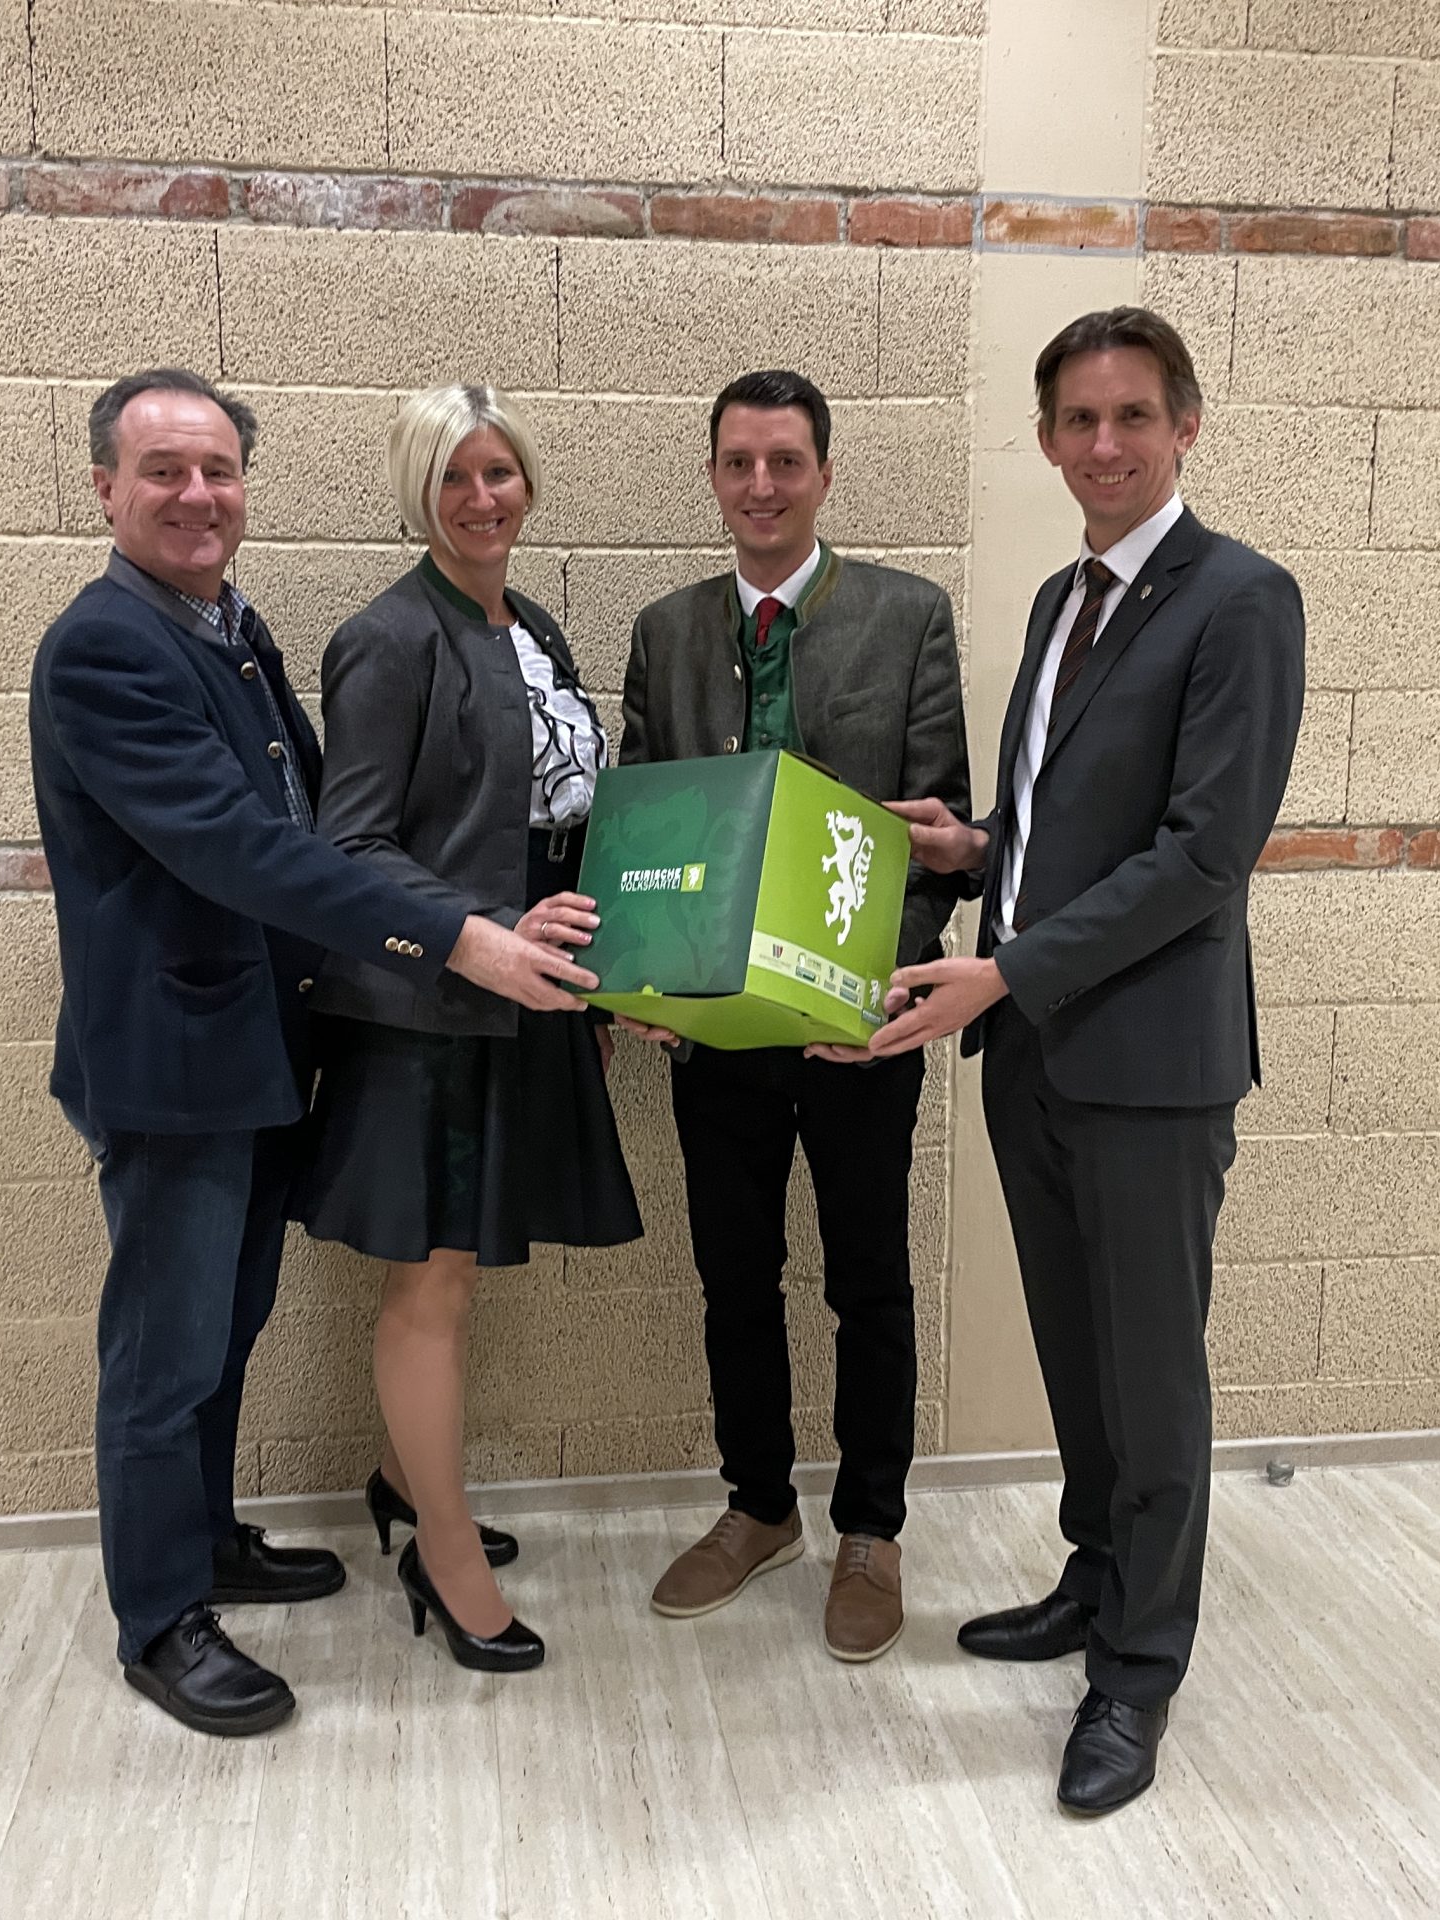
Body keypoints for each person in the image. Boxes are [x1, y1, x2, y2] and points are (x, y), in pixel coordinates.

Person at [30, 368, 594, 1738]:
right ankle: (160, 1619)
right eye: (163, 471)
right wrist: (456, 935)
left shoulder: (228, 627)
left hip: (259, 1044)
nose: (197, 495)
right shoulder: (106, 646)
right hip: (175, 1060)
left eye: (218, 469)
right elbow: (249, 850)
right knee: (163, 1354)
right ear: (104, 489)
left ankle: (208, 1539)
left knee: (226, 1328)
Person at [866, 310, 1304, 1813]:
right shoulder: (1062, 599)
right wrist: (980, 848)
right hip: (1037, 1051)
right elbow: (1072, 824)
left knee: (1152, 1374)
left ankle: (1138, 1671)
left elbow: (1203, 855)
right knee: (1076, 1346)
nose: (1103, 446)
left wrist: (1004, 965)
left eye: (1131, 417)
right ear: (1049, 437)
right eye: (1077, 421)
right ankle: (1096, 1571)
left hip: (1151, 1063)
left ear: (1187, 424)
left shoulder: (1242, 600)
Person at [619, 369, 973, 1663]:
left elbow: (941, 837)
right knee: (734, 1276)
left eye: (784, 462)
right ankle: (759, 1505)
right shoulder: (664, 632)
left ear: (824, 473)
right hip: (714, 1030)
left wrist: (886, 991)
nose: (760, 485)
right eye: (738, 463)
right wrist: (644, 975)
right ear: (713, 477)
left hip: (857, 1031)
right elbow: (643, 820)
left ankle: (871, 1526)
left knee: (868, 1279)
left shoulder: (908, 615)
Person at [296, 384, 643, 1674]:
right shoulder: (387, 640)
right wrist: (487, 936)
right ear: (418, 496)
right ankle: (443, 1559)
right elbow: (350, 847)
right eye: (453, 477)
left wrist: (603, 975)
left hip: (529, 1001)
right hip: (431, 1011)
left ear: (528, 484)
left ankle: (406, 1483)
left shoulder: (533, 624)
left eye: (500, 473)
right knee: (431, 1280)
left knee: (461, 1270)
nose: (482, 498)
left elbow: (562, 817)